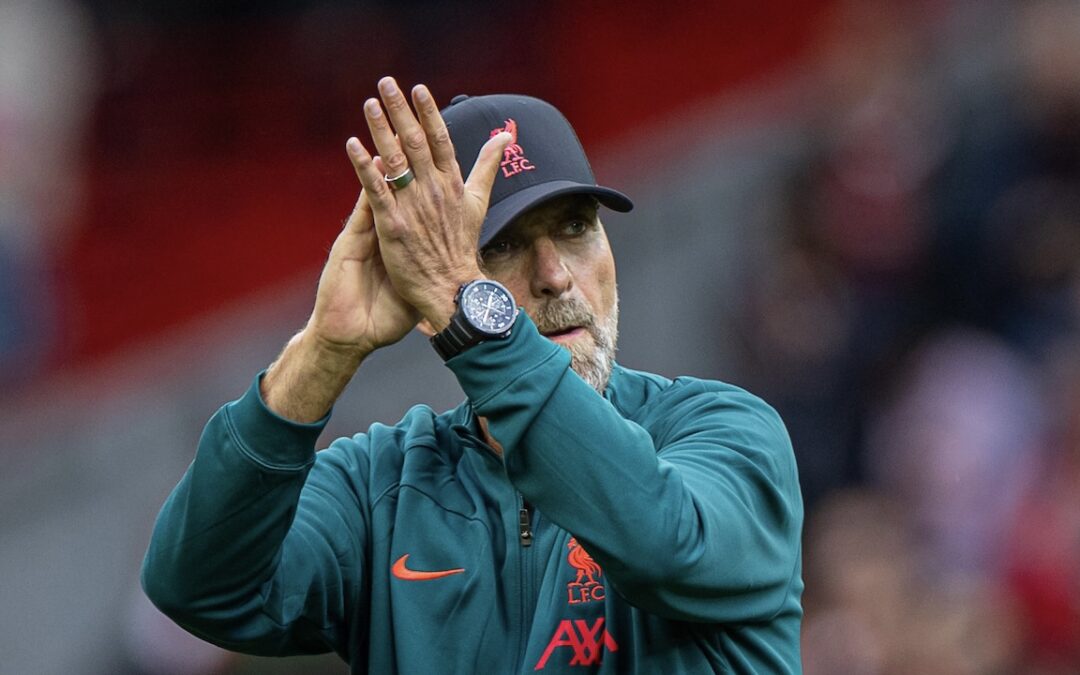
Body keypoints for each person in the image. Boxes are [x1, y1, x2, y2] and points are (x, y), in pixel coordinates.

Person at [142, 77, 804, 674]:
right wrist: (325, 347)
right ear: (427, 284)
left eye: (576, 227)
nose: (554, 275)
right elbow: (202, 587)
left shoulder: (728, 432)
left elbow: (664, 540)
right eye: (504, 245)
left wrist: (470, 305)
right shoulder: (383, 488)